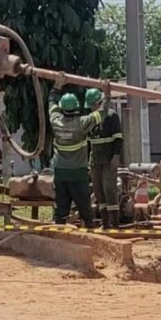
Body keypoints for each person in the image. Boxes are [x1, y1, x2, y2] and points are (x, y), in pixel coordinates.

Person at [48, 76, 103, 228]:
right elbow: (101, 113)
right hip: (78, 173)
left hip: (60, 173)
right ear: (77, 107)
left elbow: (51, 102)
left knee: (61, 210)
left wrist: (57, 86)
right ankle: (91, 232)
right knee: (85, 208)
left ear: (62, 108)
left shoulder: (55, 121)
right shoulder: (82, 124)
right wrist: (107, 93)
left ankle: (59, 235)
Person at [85, 87, 123, 229]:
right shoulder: (91, 120)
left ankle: (115, 222)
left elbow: (118, 138)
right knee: (98, 191)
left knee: (109, 190)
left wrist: (116, 156)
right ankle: (105, 222)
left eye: (93, 105)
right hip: (95, 160)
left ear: (100, 103)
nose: (91, 109)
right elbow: (88, 143)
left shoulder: (112, 116)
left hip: (108, 159)